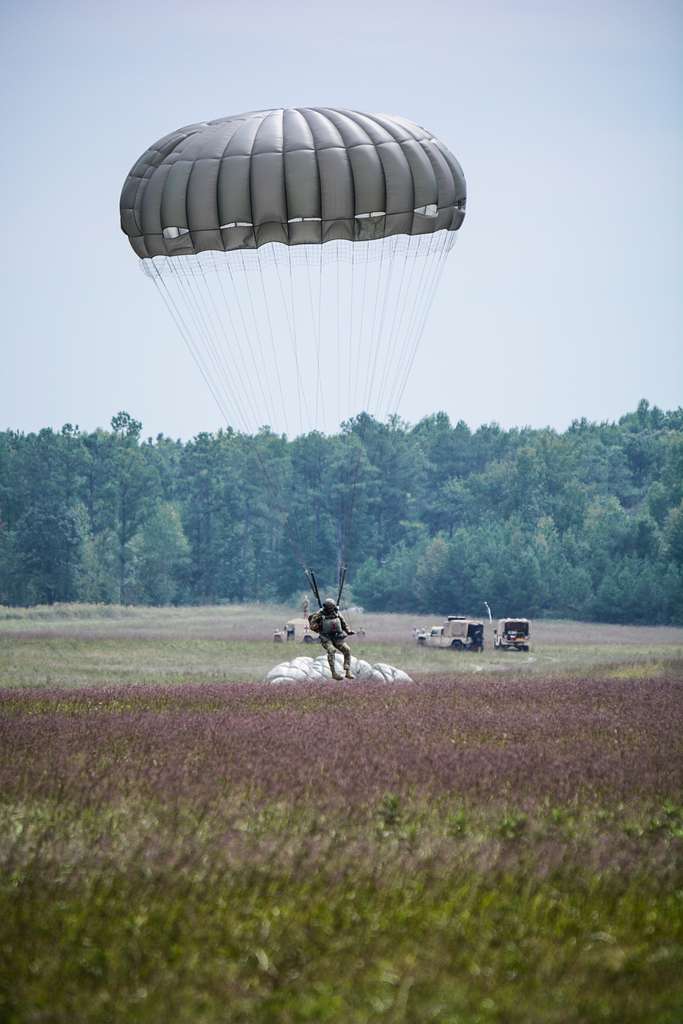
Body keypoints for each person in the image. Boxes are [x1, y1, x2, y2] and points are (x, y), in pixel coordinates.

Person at [309, 598, 355, 680]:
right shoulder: (319, 614)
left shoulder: (336, 613)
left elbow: (343, 623)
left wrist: (348, 631)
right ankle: (334, 673)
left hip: (337, 636)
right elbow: (312, 625)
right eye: (330, 608)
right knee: (331, 650)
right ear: (326, 608)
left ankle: (347, 671)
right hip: (326, 637)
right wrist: (318, 625)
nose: (331, 610)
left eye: (332, 608)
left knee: (347, 649)